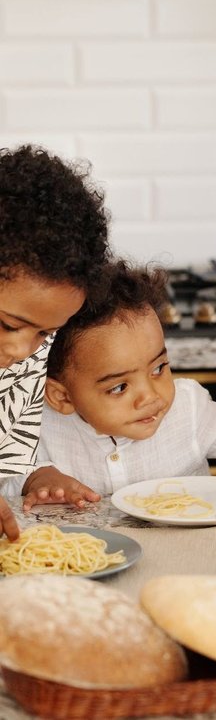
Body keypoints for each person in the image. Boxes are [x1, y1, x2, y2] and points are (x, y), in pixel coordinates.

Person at [1, 260, 216, 500]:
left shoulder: (187, 408)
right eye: (119, 387)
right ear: (61, 397)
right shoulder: (34, 423)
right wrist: (39, 478)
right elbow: (13, 474)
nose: (151, 396)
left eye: (158, 369)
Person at [0, 143, 111, 537]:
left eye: (45, 333)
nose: (20, 351)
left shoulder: (26, 363)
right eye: (7, 324)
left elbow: (11, 467)